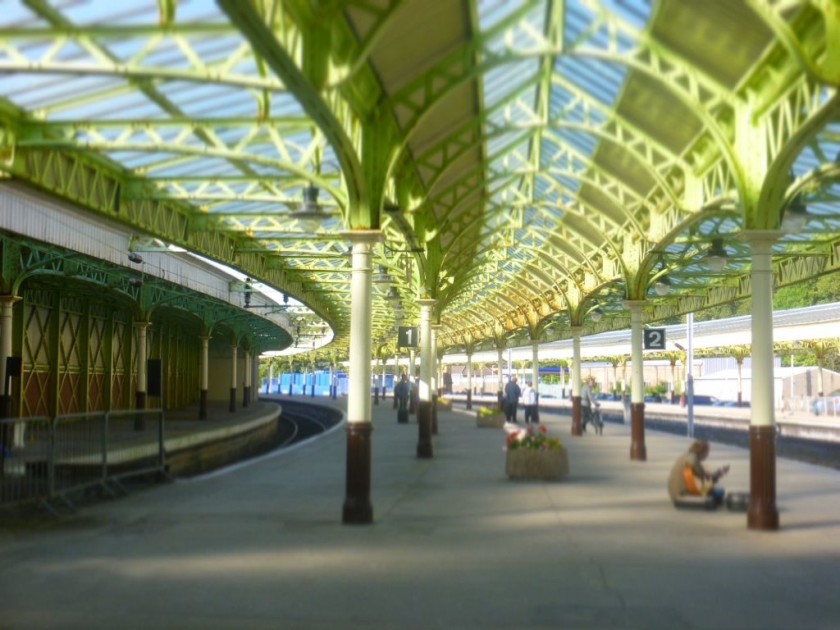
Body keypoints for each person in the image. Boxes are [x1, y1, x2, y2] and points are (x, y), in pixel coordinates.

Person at [667, 439, 729, 505]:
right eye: (707, 452)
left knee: (713, 490)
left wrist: (714, 475)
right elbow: (701, 474)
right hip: (683, 494)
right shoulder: (692, 458)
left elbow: (702, 475)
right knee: (719, 491)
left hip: (675, 493)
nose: (708, 455)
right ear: (702, 451)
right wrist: (715, 477)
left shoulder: (685, 456)